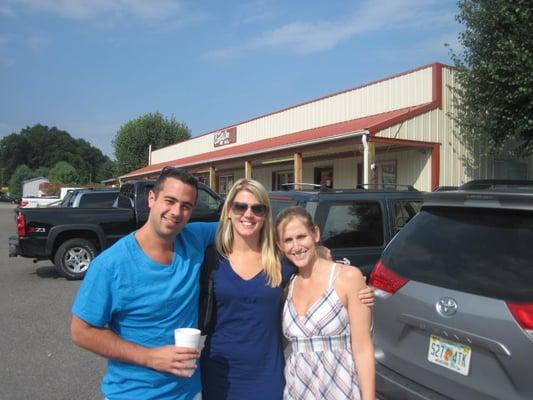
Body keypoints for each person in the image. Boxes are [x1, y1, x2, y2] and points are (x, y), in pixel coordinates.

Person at [200, 179, 374, 399]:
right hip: (219, 372)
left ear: (265, 215)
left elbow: (316, 268)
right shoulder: (211, 258)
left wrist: (358, 288)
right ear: (228, 211)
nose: (248, 214)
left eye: (258, 208)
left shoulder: (280, 262)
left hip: (267, 374)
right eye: (240, 206)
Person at [70, 167, 217, 400]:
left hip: (188, 393)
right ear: (151, 198)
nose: (176, 212)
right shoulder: (111, 264)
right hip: (132, 394)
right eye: (170, 200)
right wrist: (149, 357)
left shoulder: (194, 238)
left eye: (186, 206)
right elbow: (81, 332)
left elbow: (241, 226)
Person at [275, 206, 375, 400]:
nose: (296, 246)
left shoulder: (348, 277)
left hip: (341, 388)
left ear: (316, 234)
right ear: (280, 246)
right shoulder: (288, 287)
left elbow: (363, 348)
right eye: (288, 240)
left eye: (301, 236)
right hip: (298, 390)